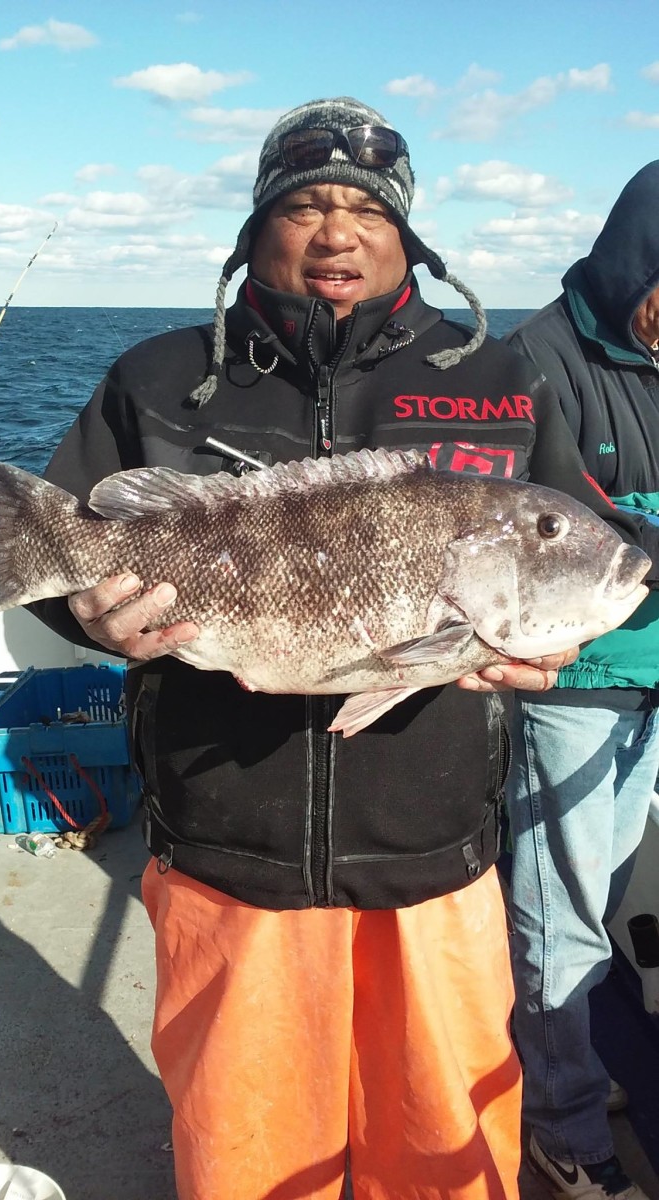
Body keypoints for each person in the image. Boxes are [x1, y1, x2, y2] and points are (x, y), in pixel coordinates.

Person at [30, 100, 653, 1200]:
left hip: (435, 854)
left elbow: (580, 536)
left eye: (367, 210)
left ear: (406, 237)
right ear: (257, 227)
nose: (336, 232)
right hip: (227, 847)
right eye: (306, 205)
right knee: (247, 1146)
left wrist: (551, 648)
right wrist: (85, 619)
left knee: (447, 1141)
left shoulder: (500, 376)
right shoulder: (159, 374)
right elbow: (59, 552)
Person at [503, 160, 659, 1200]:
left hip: (650, 683)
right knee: (557, 906)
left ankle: (575, 1067)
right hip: (573, 674)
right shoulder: (533, 360)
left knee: (604, 891)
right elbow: (527, 523)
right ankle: (561, 1124)